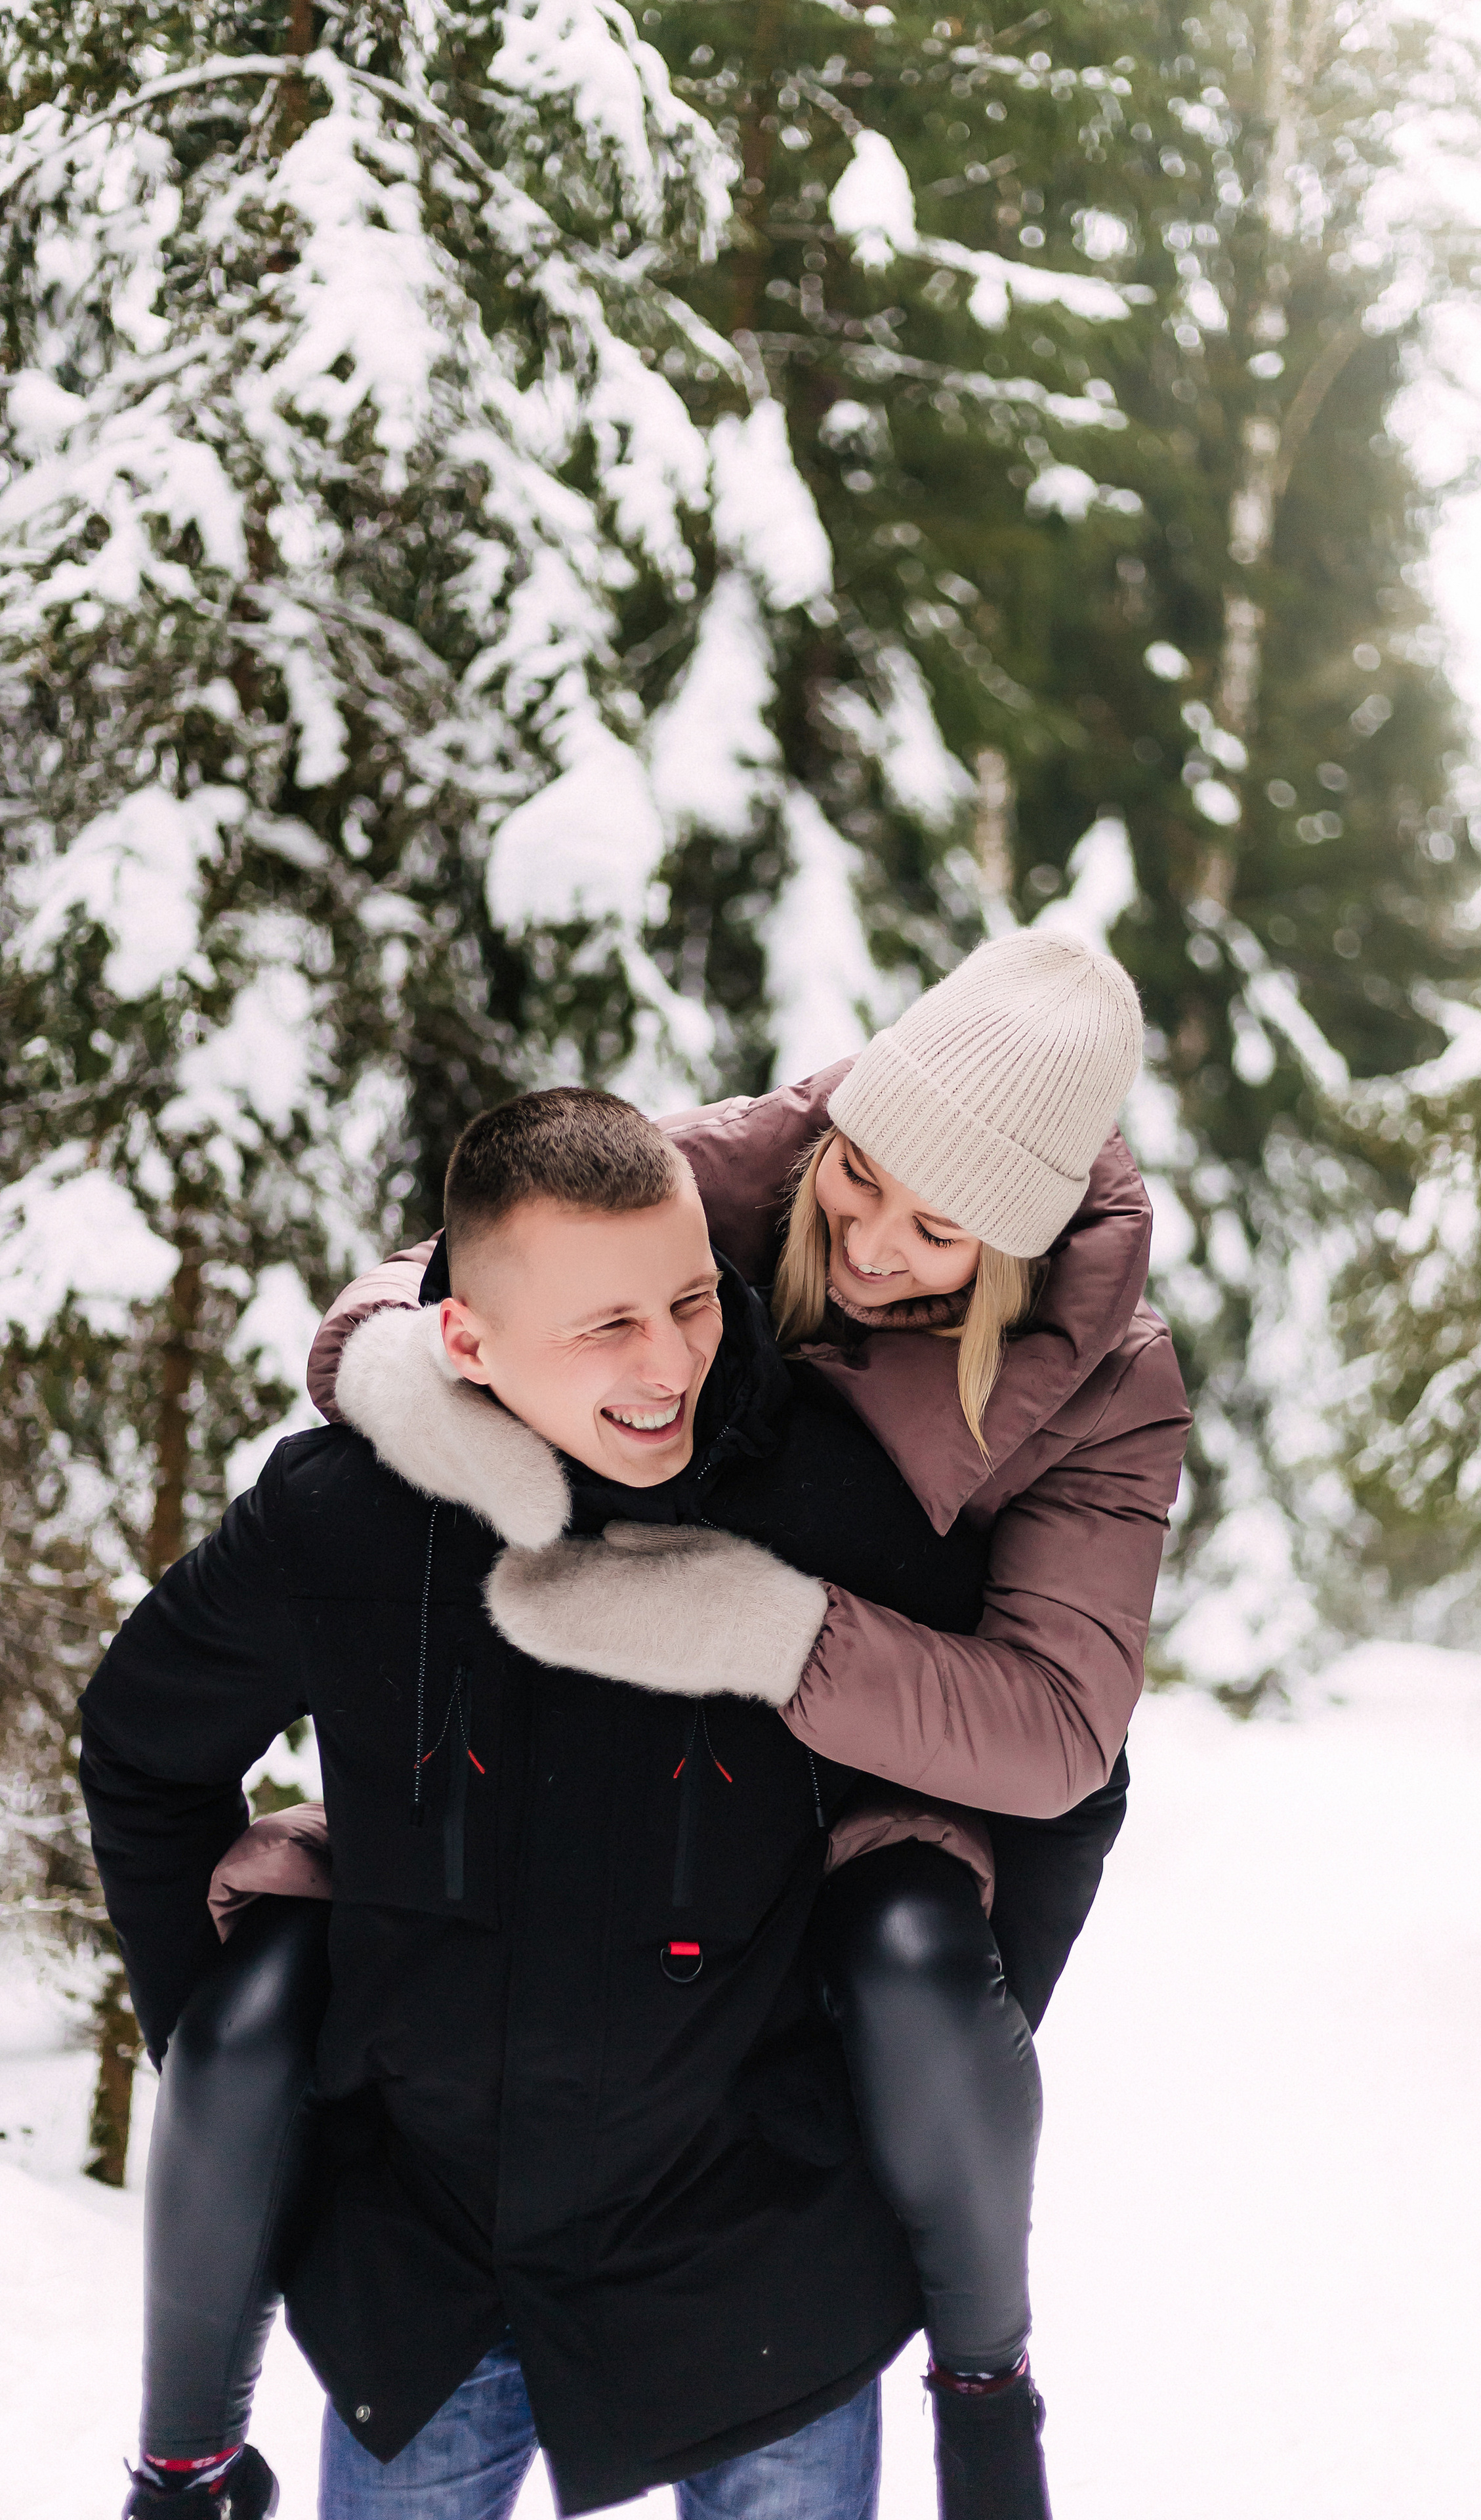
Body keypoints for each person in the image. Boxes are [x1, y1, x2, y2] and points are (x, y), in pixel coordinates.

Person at [89, 934, 1190, 2520]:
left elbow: (1059, 1743)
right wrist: (405, 1405)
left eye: (936, 1229)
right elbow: (498, 1255)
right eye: (857, 1179)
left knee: (904, 1949)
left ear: (1009, 1251)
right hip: (445, 2215)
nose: (869, 1243)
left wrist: (770, 1637)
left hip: (755, 2137)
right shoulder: (731, 1178)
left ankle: (985, 2365)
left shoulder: (1088, 1397)